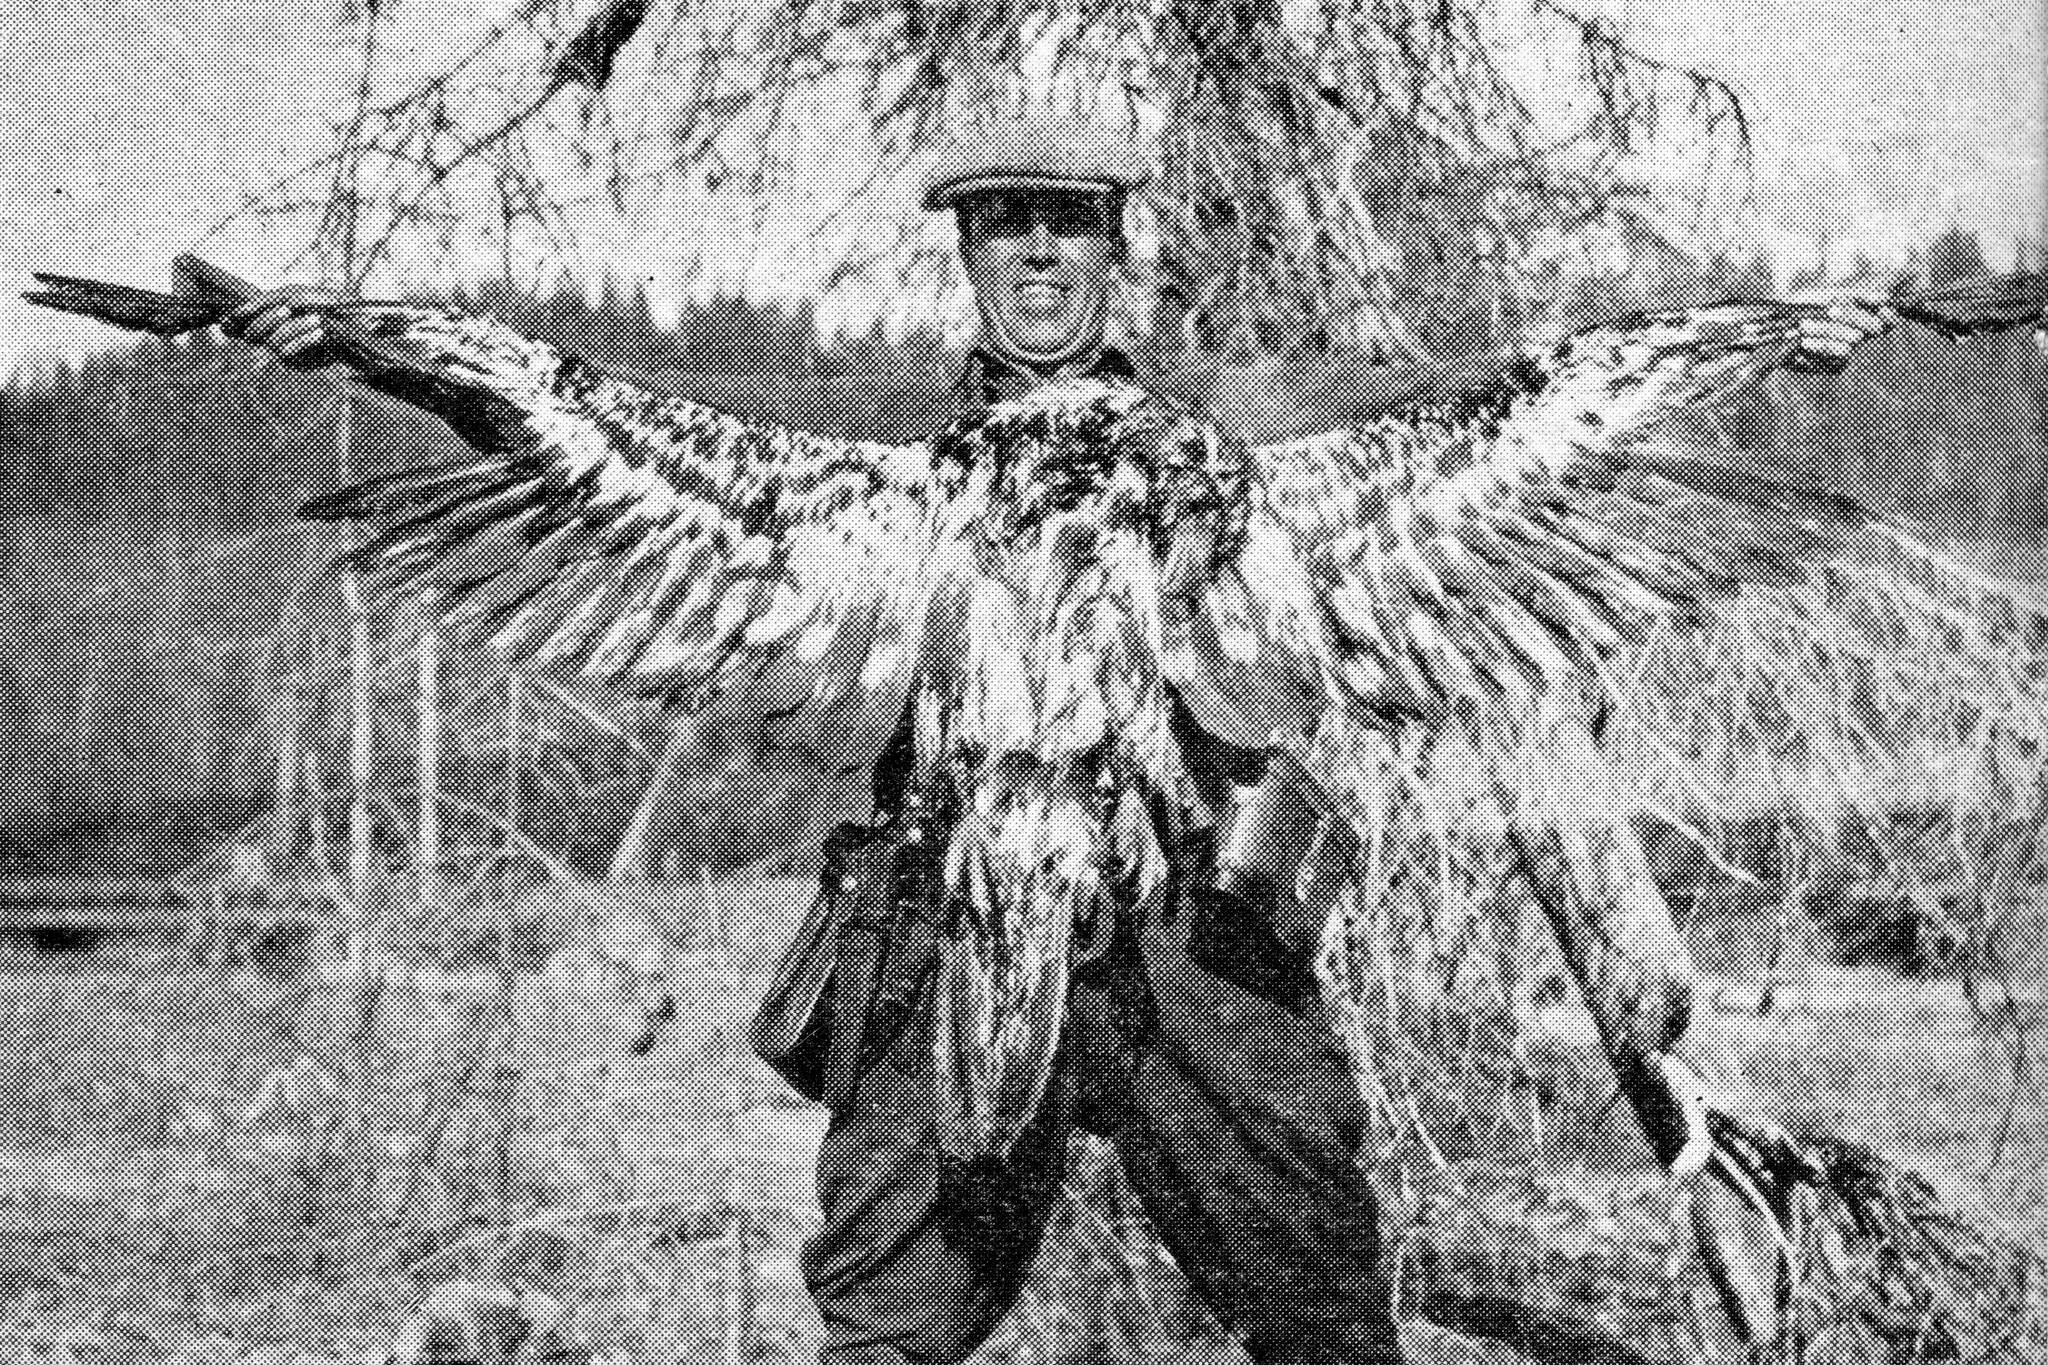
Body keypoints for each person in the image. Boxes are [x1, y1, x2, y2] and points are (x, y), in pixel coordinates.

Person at [220, 115, 1894, 1365]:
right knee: (884, 1325)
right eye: (1010, 226)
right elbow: (560, 426)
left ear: (1112, 254)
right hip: (947, 932)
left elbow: (1552, 418)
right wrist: (360, 343)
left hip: (1188, 951)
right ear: (967, 254)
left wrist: (1794, 331)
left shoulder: (1234, 483)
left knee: (1321, 1303)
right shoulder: (881, 497)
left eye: (1071, 228)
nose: (1040, 255)